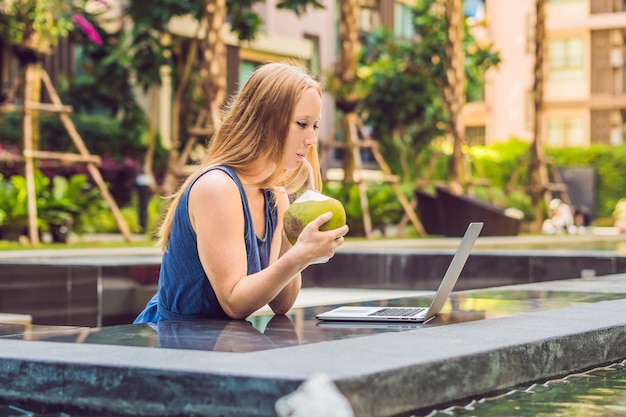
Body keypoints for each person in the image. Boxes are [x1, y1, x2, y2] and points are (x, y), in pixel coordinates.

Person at [134, 62, 349, 323]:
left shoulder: (274, 193)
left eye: (314, 126)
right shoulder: (217, 187)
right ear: (265, 121)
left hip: (218, 347)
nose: (311, 139)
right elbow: (234, 303)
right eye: (302, 123)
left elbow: (282, 303)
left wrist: (297, 244)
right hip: (172, 343)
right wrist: (299, 255)